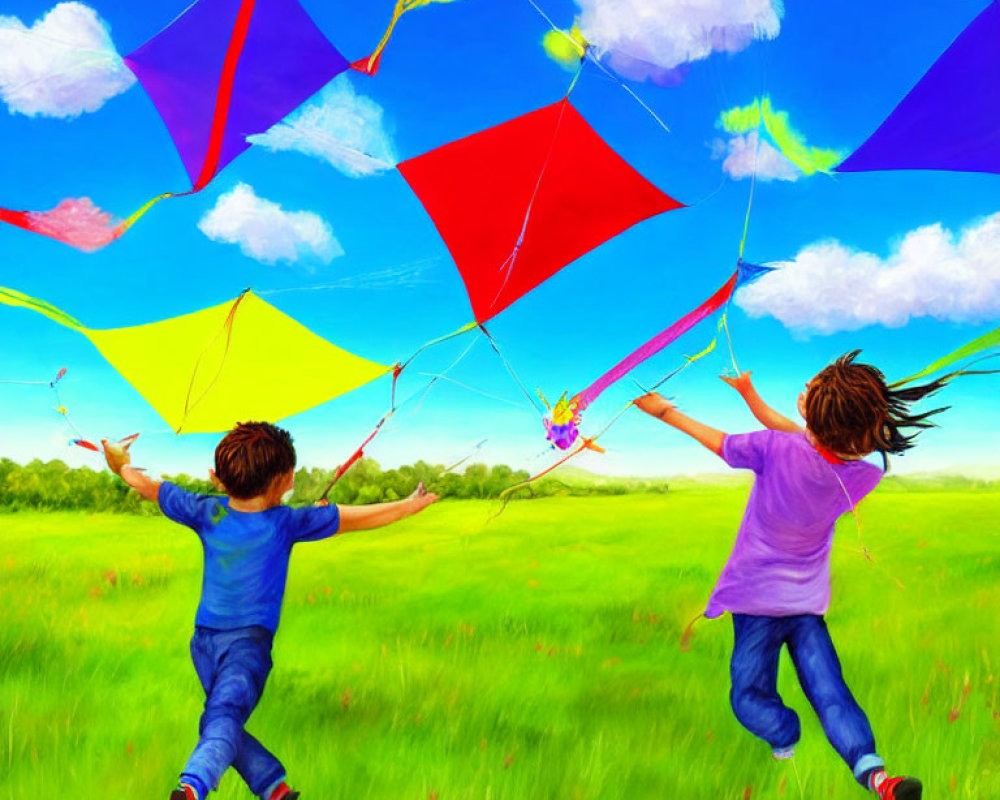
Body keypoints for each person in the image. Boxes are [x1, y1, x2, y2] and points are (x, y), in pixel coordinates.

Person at [635, 351, 945, 800]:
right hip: (806, 607)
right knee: (831, 692)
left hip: (757, 605)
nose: (805, 386)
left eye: (811, 388)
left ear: (814, 414)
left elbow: (721, 442)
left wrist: (665, 411)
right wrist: (750, 395)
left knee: (747, 696)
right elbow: (811, 443)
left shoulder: (771, 449)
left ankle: (784, 734)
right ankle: (875, 774)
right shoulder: (862, 475)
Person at [103, 421, 438, 800]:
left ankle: (273, 788)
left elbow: (148, 487)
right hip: (248, 646)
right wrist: (411, 505)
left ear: (217, 478)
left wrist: (121, 466)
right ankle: (193, 787)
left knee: (217, 718)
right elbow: (360, 518)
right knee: (223, 718)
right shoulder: (287, 522)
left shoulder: (205, 510)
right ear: (285, 478)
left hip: (203, 644)